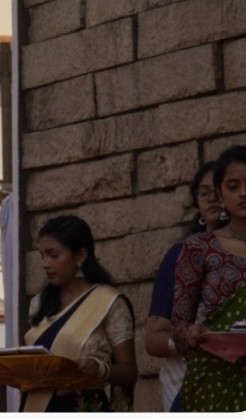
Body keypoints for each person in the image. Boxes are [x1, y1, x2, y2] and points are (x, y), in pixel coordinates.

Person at [170, 145, 246, 411]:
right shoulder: (200, 248)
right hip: (215, 379)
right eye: (233, 186)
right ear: (221, 195)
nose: (244, 193)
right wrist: (191, 334)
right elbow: (179, 324)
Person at [22, 216, 135, 412]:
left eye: (53, 255)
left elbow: (129, 372)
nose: (45, 264)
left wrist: (99, 368)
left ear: (80, 256)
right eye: (42, 256)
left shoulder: (108, 302)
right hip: (35, 406)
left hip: (83, 406)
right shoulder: (40, 303)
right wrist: (4, 372)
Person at [142, 163, 220, 408]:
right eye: (204, 193)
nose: (212, 199)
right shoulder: (179, 256)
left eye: (220, 190)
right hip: (185, 384)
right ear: (197, 203)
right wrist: (187, 340)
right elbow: (153, 339)